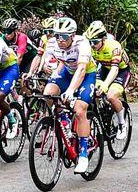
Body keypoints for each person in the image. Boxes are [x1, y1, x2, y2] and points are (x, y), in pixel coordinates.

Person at [39, 17, 98, 171]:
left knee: (79, 110)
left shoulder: (82, 43)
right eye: (56, 35)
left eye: (64, 36)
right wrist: (44, 67)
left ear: (72, 35)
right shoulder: (52, 43)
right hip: (67, 71)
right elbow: (48, 62)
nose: (60, 40)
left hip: (86, 74)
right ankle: (64, 121)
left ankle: (83, 155)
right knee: (48, 94)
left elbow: (82, 69)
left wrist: (71, 90)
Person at [84, 21, 131, 139]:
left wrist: (105, 85)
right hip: (104, 68)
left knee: (111, 96)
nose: (92, 45)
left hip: (121, 71)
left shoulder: (113, 46)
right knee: (92, 92)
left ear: (103, 39)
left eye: (95, 42)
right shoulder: (89, 44)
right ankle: (101, 114)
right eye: (90, 42)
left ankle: (122, 124)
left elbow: (115, 70)